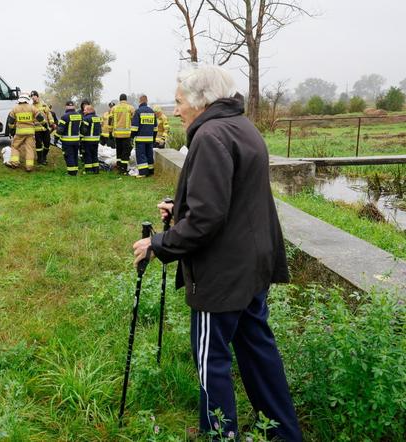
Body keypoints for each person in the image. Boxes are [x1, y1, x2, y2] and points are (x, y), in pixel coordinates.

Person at [132, 65, 301, 441]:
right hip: (253, 267)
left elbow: (208, 219)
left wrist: (158, 244)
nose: (175, 110)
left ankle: (220, 436)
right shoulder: (242, 127)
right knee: (258, 353)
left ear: (200, 100)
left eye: (178, 102)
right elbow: (232, 198)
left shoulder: (210, 136)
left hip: (222, 276)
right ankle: (284, 434)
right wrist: (180, 207)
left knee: (212, 362)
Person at [7, 93, 45, 172]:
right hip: (30, 132)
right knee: (29, 149)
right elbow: (40, 118)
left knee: (15, 147)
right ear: (27, 99)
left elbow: (10, 122)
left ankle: (14, 163)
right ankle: (29, 167)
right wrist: (45, 124)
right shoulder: (32, 108)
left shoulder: (15, 109)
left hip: (19, 132)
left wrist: (11, 129)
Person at [131, 95, 158, 177]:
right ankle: (150, 171)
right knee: (149, 154)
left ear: (140, 101)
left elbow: (135, 127)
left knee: (141, 155)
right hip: (150, 139)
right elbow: (155, 128)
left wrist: (132, 137)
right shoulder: (152, 112)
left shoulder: (138, 111)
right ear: (147, 101)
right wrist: (153, 138)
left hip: (140, 139)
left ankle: (143, 173)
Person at [110, 94, 135, 174]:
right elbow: (134, 119)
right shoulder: (130, 108)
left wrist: (111, 131)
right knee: (125, 151)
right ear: (126, 99)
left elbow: (110, 120)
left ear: (119, 99)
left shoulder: (114, 108)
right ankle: (124, 169)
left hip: (117, 134)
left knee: (119, 151)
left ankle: (119, 166)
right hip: (127, 134)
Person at [30, 91, 55, 165]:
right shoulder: (31, 107)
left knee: (47, 145)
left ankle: (44, 157)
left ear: (37, 96)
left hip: (45, 128)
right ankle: (40, 159)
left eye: (34, 95)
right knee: (38, 145)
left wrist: (52, 123)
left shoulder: (44, 105)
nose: (33, 97)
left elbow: (49, 114)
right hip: (36, 129)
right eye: (31, 96)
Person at [57, 101, 82, 176]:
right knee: (75, 155)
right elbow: (83, 128)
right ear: (74, 107)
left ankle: (71, 173)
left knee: (69, 156)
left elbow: (60, 130)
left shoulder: (64, 117)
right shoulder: (79, 116)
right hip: (76, 140)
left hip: (67, 141)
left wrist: (55, 138)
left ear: (66, 107)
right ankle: (75, 171)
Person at [80, 105, 102, 174]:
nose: (83, 111)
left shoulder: (86, 118)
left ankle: (89, 170)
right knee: (95, 155)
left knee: (88, 155)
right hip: (96, 140)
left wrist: (80, 138)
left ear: (89, 110)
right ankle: (96, 170)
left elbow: (84, 130)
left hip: (88, 140)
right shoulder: (98, 118)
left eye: (85, 110)